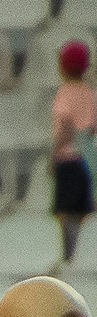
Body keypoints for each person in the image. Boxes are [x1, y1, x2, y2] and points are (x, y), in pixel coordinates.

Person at [56, 41, 97, 259]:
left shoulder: (65, 93)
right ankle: (85, 253)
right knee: (85, 211)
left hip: (69, 158)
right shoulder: (90, 93)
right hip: (88, 157)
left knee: (64, 212)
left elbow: (65, 125)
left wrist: (55, 154)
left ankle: (69, 254)